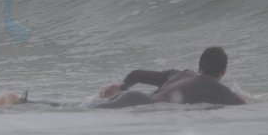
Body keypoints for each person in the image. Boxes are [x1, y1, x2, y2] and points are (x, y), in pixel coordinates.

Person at [95, 46, 246, 108]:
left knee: (92, 111)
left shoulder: (179, 73)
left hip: (131, 96)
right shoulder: (214, 86)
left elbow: (136, 75)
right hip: (141, 104)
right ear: (223, 72)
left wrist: (122, 86)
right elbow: (242, 105)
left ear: (199, 64)